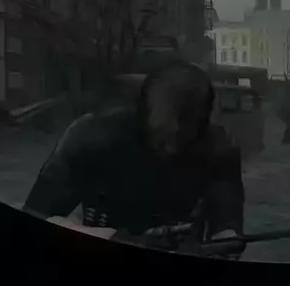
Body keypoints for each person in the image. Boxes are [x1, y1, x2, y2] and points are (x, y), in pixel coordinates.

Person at [22, 60, 245, 258]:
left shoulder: (218, 149)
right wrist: (113, 238)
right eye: (162, 139)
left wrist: (226, 244)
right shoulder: (92, 137)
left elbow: (226, 229)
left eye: (183, 141)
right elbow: (34, 216)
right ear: (142, 117)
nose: (170, 149)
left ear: (202, 128)